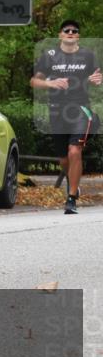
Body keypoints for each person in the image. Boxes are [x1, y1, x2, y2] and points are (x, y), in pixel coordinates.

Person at [31, 19, 102, 214]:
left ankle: (70, 199)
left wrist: (98, 79)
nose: (71, 33)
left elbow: (97, 76)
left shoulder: (88, 55)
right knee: (63, 159)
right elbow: (34, 81)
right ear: (60, 34)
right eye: (66, 30)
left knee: (74, 151)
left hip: (80, 109)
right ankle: (73, 183)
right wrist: (50, 84)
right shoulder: (50, 56)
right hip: (57, 110)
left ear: (78, 36)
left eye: (74, 31)